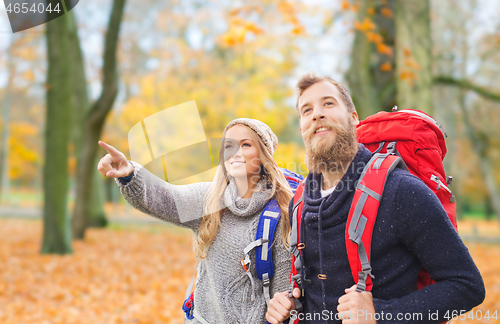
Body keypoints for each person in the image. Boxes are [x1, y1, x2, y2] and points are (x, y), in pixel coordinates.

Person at [266, 74, 485, 324]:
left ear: (353, 118)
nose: (317, 114)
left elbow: (467, 285)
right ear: (302, 127)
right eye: (307, 110)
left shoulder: (401, 191)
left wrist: (380, 314)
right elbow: (315, 289)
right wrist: (288, 304)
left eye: (328, 103)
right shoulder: (300, 200)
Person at [97, 118, 295, 324]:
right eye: (229, 145)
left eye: (246, 144)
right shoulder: (208, 200)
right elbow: (165, 197)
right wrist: (129, 173)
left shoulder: (280, 212)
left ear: (263, 155)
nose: (235, 152)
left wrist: (284, 306)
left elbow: (282, 292)